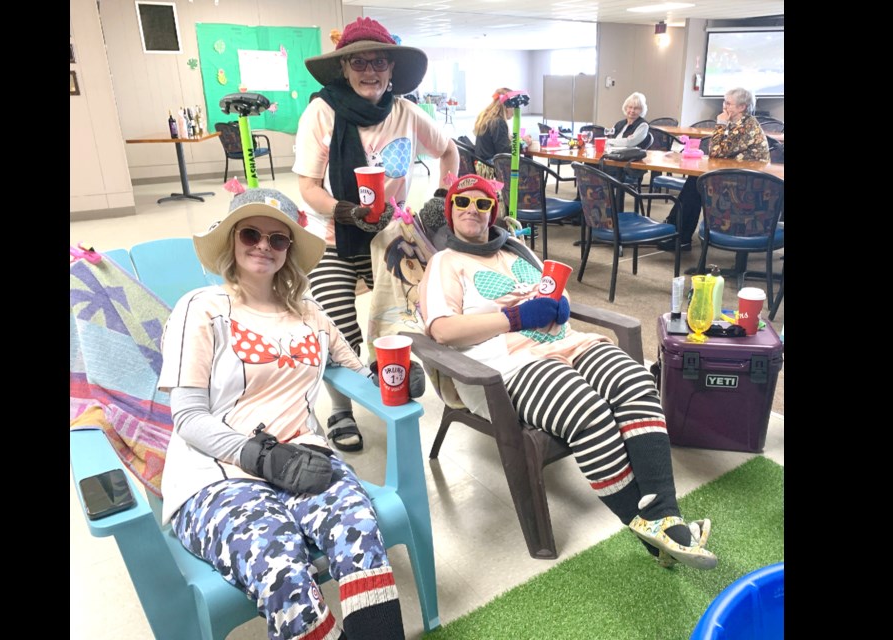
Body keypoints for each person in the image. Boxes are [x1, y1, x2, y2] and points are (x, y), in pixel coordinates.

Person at [159, 188, 423, 640]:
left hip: (306, 461)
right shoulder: (202, 307)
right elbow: (187, 417)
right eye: (251, 234)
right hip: (215, 474)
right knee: (278, 566)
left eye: (277, 239)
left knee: (359, 531)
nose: (263, 245)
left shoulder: (311, 314)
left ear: (289, 251)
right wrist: (260, 457)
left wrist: (393, 374)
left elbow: (355, 368)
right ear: (232, 241)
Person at [418, 174, 718, 571]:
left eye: (482, 203)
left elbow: (555, 287)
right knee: (585, 409)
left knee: (636, 381)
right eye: (462, 203)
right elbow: (442, 329)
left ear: (494, 212)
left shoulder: (516, 248)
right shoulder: (445, 262)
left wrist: (559, 302)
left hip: (566, 343)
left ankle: (666, 515)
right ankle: (646, 526)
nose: (472, 210)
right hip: (503, 365)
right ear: (450, 211)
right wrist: (515, 317)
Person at [294, 17, 458, 452]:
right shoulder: (321, 111)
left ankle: (390, 362)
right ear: (344, 68)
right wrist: (345, 210)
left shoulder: (405, 111)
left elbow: (449, 149)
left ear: (391, 68)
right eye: (358, 62)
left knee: (413, 307)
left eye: (379, 61)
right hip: (334, 234)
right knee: (334, 320)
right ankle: (341, 409)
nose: (370, 71)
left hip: (390, 235)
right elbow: (308, 186)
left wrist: (443, 194)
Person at [659, 87, 770, 251]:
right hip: (736, 177)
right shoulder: (737, 124)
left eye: (728, 103)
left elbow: (716, 152)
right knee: (694, 181)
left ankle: (679, 233)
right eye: (724, 102)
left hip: (748, 187)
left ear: (742, 107)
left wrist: (720, 123)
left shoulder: (747, 126)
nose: (724, 107)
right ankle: (676, 230)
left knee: (697, 183)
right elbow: (719, 153)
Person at [473, 88, 514, 171]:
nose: (514, 110)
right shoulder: (498, 122)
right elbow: (504, 153)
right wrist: (522, 145)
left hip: (480, 166)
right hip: (490, 168)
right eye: (513, 106)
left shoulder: (485, 117)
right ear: (507, 106)